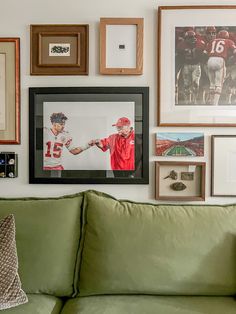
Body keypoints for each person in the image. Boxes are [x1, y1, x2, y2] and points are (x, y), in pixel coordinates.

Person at [206, 30, 236, 105]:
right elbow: (235, 51)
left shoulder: (212, 41)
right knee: (219, 84)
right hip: (220, 60)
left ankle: (211, 101)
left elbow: (205, 53)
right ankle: (215, 104)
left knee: (212, 84)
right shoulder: (229, 41)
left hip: (210, 60)